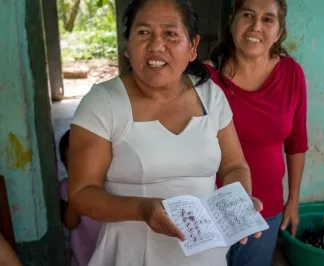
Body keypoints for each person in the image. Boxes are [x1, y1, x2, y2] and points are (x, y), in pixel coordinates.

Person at [67, 0, 263, 265]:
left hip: (206, 253)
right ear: (128, 46)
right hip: (133, 253)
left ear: (193, 47)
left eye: (170, 34)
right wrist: (142, 209)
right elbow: (81, 193)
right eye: (143, 32)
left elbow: (234, 166)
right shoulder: (103, 102)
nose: (156, 45)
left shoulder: (210, 96)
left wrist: (236, 206)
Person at [206, 0, 309, 265]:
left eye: (268, 19)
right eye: (247, 15)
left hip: (266, 210)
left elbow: (296, 143)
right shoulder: (206, 77)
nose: (256, 27)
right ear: (232, 21)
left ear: (279, 29)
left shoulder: (292, 73)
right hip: (210, 208)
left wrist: (293, 201)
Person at [58, 129, 101, 266]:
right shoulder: (66, 188)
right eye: (70, 163)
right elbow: (71, 223)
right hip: (86, 259)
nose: (78, 168)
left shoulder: (112, 183)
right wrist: (76, 193)